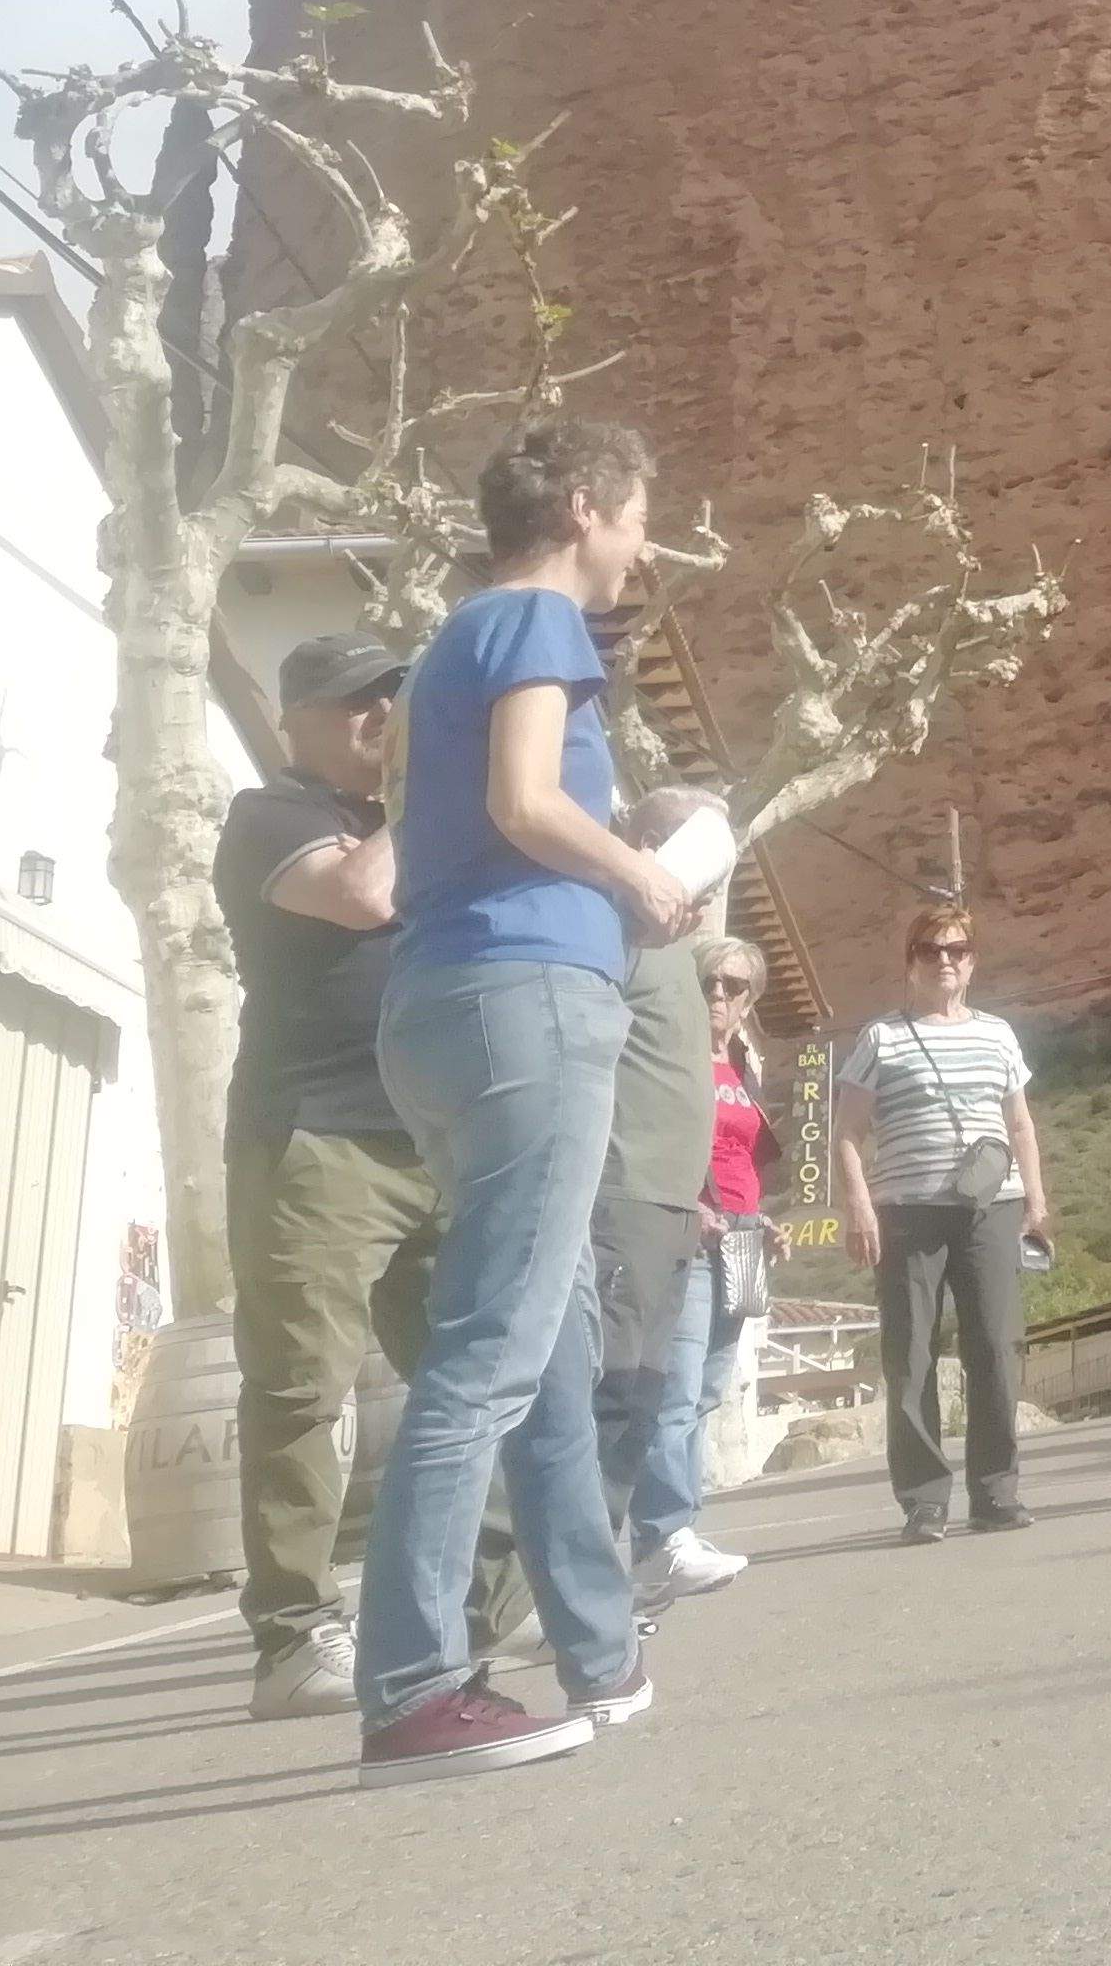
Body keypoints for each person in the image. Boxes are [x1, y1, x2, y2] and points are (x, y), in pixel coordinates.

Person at [355, 419, 698, 1780]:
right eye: (638, 515)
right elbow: (525, 800)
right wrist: (643, 877)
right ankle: (413, 1683)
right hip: (526, 1005)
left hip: (444, 1007)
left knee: (545, 1341)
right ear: (582, 506)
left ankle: (598, 1650)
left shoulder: (455, 637)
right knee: (493, 1349)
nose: (644, 543)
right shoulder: (541, 625)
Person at [219, 629, 521, 1721]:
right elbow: (359, 897)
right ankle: (293, 1637)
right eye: (354, 703)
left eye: (390, 699)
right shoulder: (270, 815)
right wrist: (414, 790)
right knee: (302, 1388)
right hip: (317, 1140)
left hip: (433, 1136)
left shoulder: (415, 826)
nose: (376, 718)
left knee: (479, 1376)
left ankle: (463, 1618)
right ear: (295, 720)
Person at [836, 902, 1050, 1541]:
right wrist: (857, 1204)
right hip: (907, 1209)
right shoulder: (882, 1038)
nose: (946, 961)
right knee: (911, 1354)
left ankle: (994, 1494)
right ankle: (924, 1501)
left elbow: (1019, 1125)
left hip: (991, 1207)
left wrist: (1036, 1202)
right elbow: (846, 1131)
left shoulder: (999, 1035)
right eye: (932, 950)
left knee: (994, 1346)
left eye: (957, 950)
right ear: (911, 963)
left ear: (973, 961)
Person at [589, 788, 725, 1580]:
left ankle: (633, 1560)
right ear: (645, 844)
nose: (708, 889)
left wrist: (703, 1191)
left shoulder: (673, 947)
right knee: (613, 1387)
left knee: (647, 1391)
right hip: (626, 1192)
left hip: (676, 1202)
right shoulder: (618, 932)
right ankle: (581, 1572)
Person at [624, 932, 776, 1610]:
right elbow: (643, 1133)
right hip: (689, 1233)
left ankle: (677, 1534)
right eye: (708, 981)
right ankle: (662, 1538)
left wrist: (762, 1221)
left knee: (709, 1388)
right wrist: (685, 1202)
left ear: (749, 1001)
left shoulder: (741, 1066)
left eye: (734, 986)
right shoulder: (673, 1057)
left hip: (742, 1238)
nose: (719, 995)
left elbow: (742, 1158)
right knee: (675, 1390)